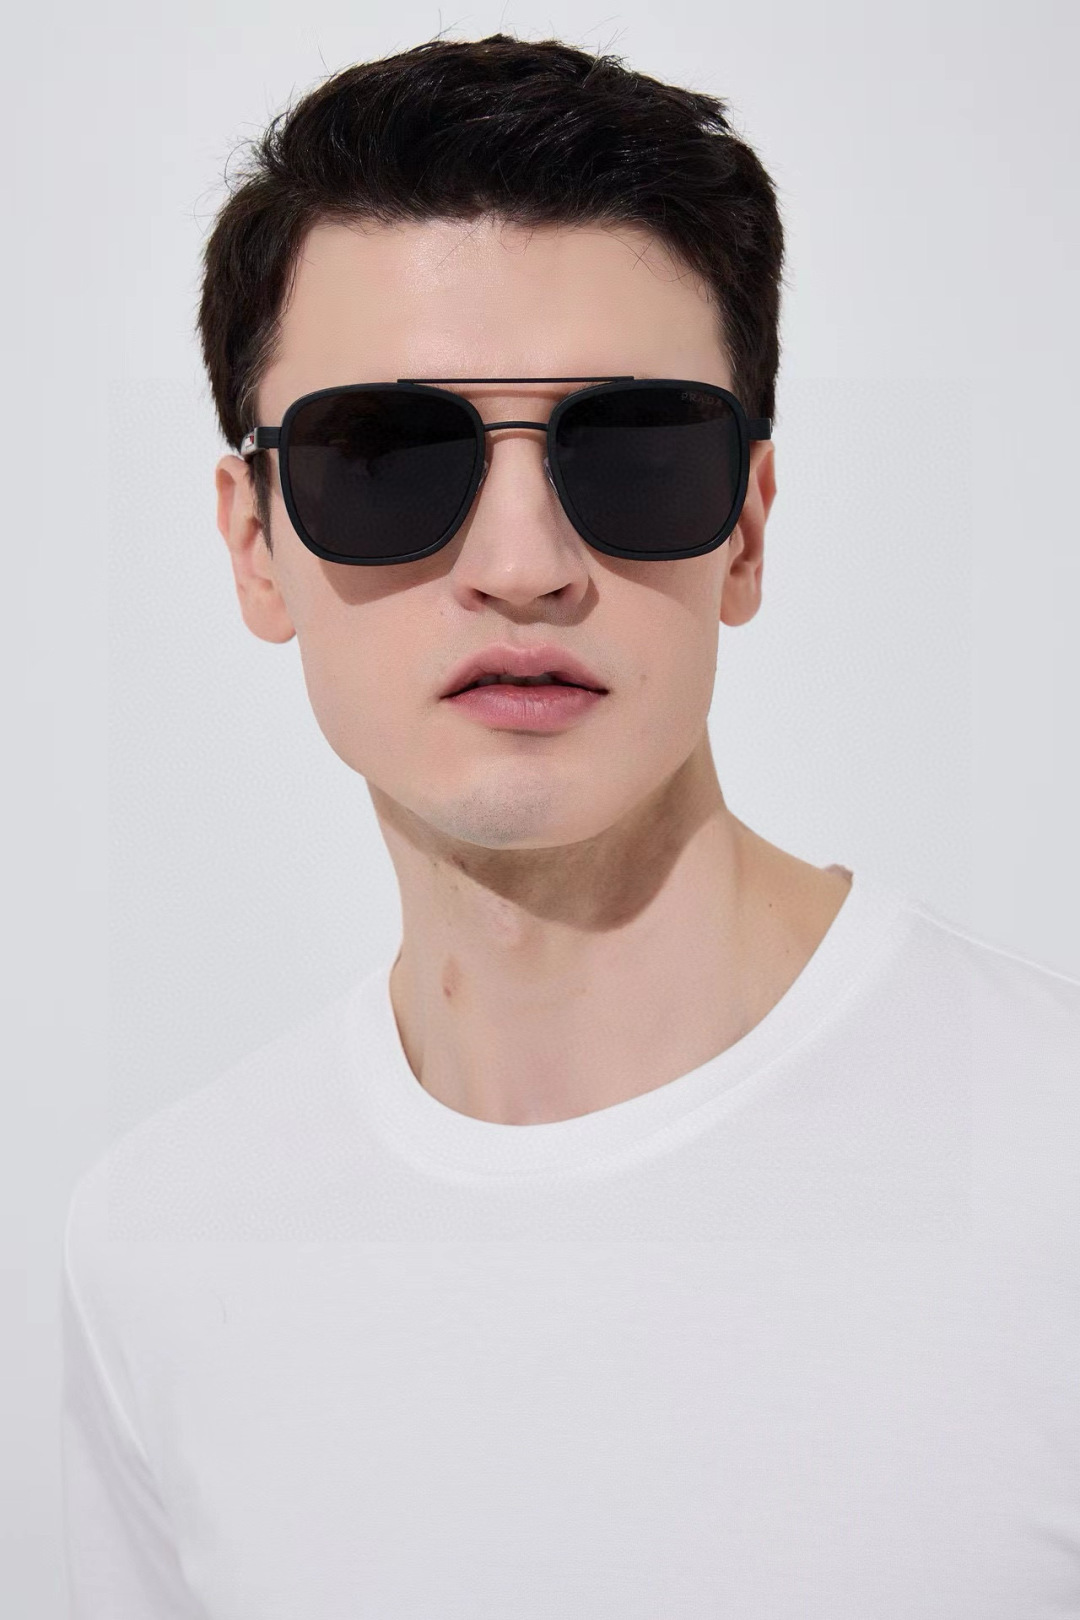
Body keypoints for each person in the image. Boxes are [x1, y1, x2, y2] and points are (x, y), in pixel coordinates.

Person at [60, 32, 1080, 1618]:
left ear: (747, 530)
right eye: (386, 456)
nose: (523, 563)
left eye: (634, 450)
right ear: (253, 544)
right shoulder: (155, 1252)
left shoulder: (1052, 1171)